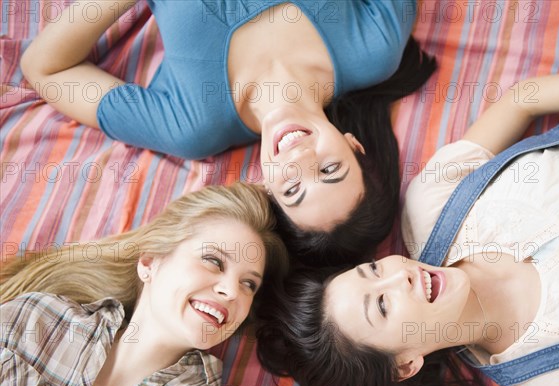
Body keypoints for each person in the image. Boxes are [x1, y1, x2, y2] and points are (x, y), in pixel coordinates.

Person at [255, 72, 559, 386]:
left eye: (372, 270)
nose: (398, 274)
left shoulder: (430, 206)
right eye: (383, 305)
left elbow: (522, 99)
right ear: (405, 364)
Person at [19, 0, 436, 265]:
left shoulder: (191, 126)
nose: (300, 160)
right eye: (329, 169)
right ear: (353, 145)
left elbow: (46, 69)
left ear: (267, 188)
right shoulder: (373, 50)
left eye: (292, 190)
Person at [0, 182, 288, 386]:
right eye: (213, 261)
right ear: (150, 262)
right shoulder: (37, 321)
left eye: (248, 284)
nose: (232, 291)